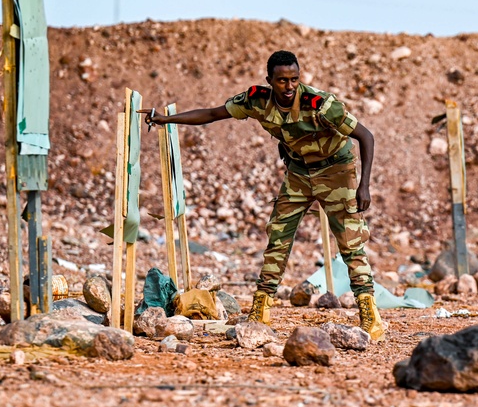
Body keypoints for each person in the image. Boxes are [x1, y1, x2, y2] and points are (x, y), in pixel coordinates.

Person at [142, 50, 387, 341]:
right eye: (282, 80)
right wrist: (166, 120)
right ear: (269, 80)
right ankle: (262, 307)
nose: (289, 86)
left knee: (350, 243)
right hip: (298, 173)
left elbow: (365, 136)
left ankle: (368, 311)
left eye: (294, 79)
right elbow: (211, 114)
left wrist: (364, 185)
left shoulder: (320, 104)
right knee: (278, 237)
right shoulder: (256, 99)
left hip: (336, 171)